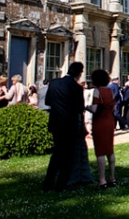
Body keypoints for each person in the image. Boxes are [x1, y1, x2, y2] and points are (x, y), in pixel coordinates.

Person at [43, 62, 85, 192]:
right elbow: (79, 108)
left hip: (56, 122)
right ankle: (61, 184)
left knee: (56, 153)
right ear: (79, 73)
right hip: (69, 124)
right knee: (67, 156)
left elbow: (47, 101)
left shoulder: (54, 82)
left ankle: (48, 182)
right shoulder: (77, 88)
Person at [86, 69, 116, 190]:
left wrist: (86, 107)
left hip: (100, 122)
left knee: (100, 151)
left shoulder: (97, 91)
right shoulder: (110, 91)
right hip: (110, 121)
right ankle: (112, 177)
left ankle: (102, 179)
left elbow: (95, 108)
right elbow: (113, 108)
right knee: (110, 149)